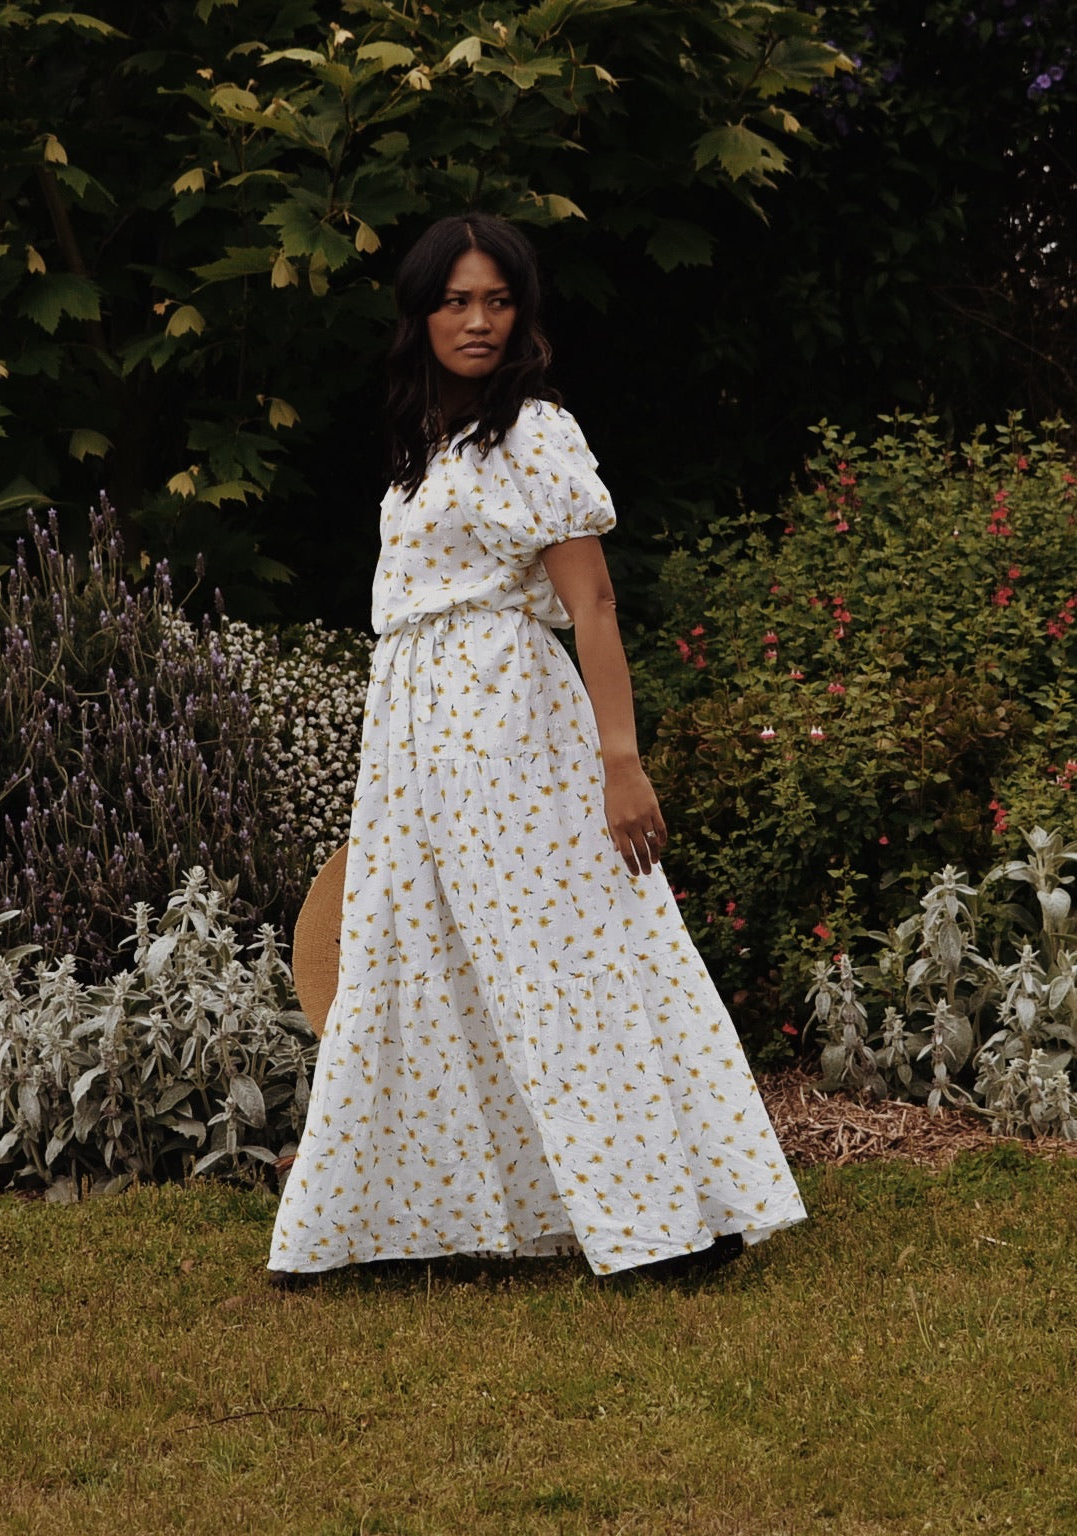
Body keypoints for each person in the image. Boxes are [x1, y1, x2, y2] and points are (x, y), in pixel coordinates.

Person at [269, 213, 805, 1279]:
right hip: (413, 728)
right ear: (420, 315)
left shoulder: (537, 432)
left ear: (523, 315)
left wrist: (621, 759)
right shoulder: (425, 446)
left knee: (559, 957)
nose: (477, 320)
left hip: (506, 719)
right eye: (457, 300)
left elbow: (593, 600)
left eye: (498, 300)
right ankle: (417, 1221)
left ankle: (666, 1221)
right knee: (413, 958)